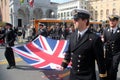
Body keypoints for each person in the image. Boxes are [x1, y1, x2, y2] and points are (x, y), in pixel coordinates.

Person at [60, 9, 107, 80]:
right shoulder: (72, 36)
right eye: (73, 19)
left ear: (85, 20)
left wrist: (102, 76)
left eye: (76, 19)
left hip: (87, 76)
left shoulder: (94, 38)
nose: (74, 21)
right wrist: (63, 65)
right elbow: (69, 52)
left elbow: (100, 61)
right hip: (73, 75)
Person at [103, 15, 120, 80]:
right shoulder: (106, 30)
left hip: (116, 54)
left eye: (113, 20)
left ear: (117, 21)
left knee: (113, 69)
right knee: (107, 68)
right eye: (110, 20)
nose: (111, 22)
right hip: (108, 53)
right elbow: (104, 42)